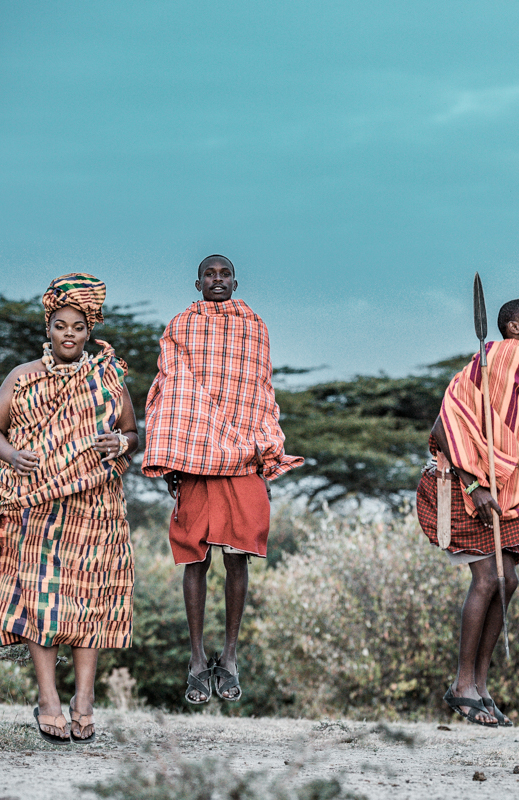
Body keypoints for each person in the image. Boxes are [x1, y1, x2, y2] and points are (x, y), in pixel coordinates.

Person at [0, 272, 138, 745]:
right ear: (48, 327)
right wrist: (12, 455)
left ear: (90, 331)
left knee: (90, 598)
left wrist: (119, 442)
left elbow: (132, 432)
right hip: (36, 503)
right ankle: (48, 700)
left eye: (79, 327)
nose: (69, 334)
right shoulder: (23, 377)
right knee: (41, 598)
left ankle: (84, 701)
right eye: (60, 325)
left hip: (95, 503)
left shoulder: (107, 377)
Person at [142, 254, 302, 705]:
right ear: (198, 282)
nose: (217, 280)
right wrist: (175, 455)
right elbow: (171, 386)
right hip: (195, 456)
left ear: (235, 281)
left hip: (242, 455)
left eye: (224, 274)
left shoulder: (255, 327)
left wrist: (266, 453)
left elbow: (260, 390)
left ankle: (228, 658)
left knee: (239, 556)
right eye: (209, 274)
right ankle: (196, 661)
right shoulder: (181, 326)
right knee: (196, 558)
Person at [416, 298, 519, 726]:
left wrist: (495, 482)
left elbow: (508, 438)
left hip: (498, 490)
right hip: (461, 484)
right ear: (513, 327)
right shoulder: (493, 362)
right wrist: (475, 483)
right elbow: (442, 428)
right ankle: (463, 685)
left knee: (509, 580)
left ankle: (479, 686)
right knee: (488, 578)